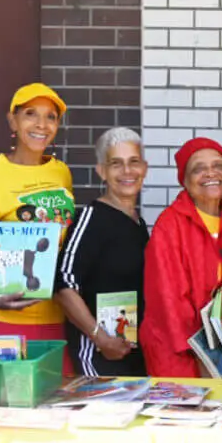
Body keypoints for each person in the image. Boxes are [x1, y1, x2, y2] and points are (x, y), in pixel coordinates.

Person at [0, 83, 77, 350]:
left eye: (51, 117)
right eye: (30, 114)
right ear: (12, 121)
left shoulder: (61, 172)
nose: (41, 124)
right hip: (2, 316)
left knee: (53, 391)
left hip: (55, 314)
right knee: (5, 391)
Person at [141, 137, 222, 378]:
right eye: (198, 168)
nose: (210, 173)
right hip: (180, 351)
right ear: (185, 180)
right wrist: (206, 357)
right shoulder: (169, 226)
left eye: (218, 166)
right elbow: (169, 302)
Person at [54, 128, 149, 376]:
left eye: (134, 162)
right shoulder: (91, 218)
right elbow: (63, 284)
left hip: (131, 350)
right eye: (116, 164)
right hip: (98, 354)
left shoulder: (138, 222)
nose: (127, 171)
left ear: (145, 168)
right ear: (102, 171)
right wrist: (100, 338)